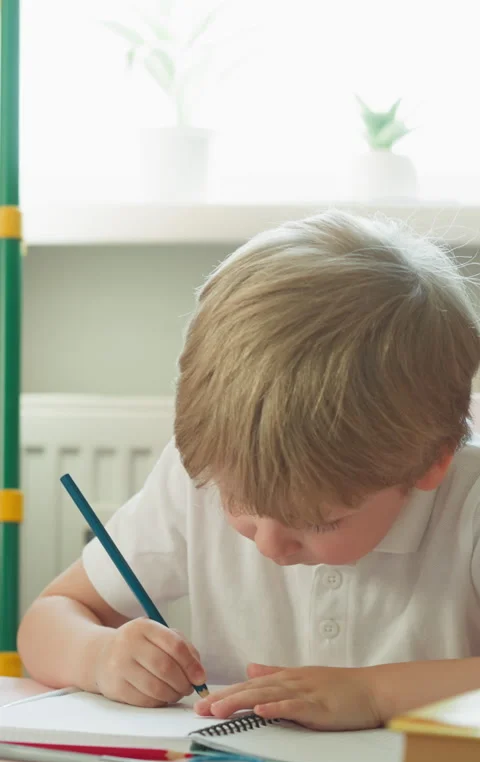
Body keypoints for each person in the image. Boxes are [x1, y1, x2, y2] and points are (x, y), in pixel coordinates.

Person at [18, 211, 480, 731]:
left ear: (433, 459)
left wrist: (375, 694)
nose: (267, 545)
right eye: (240, 506)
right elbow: (46, 620)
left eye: (321, 522)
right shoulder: (206, 474)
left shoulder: (470, 497)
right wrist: (97, 657)